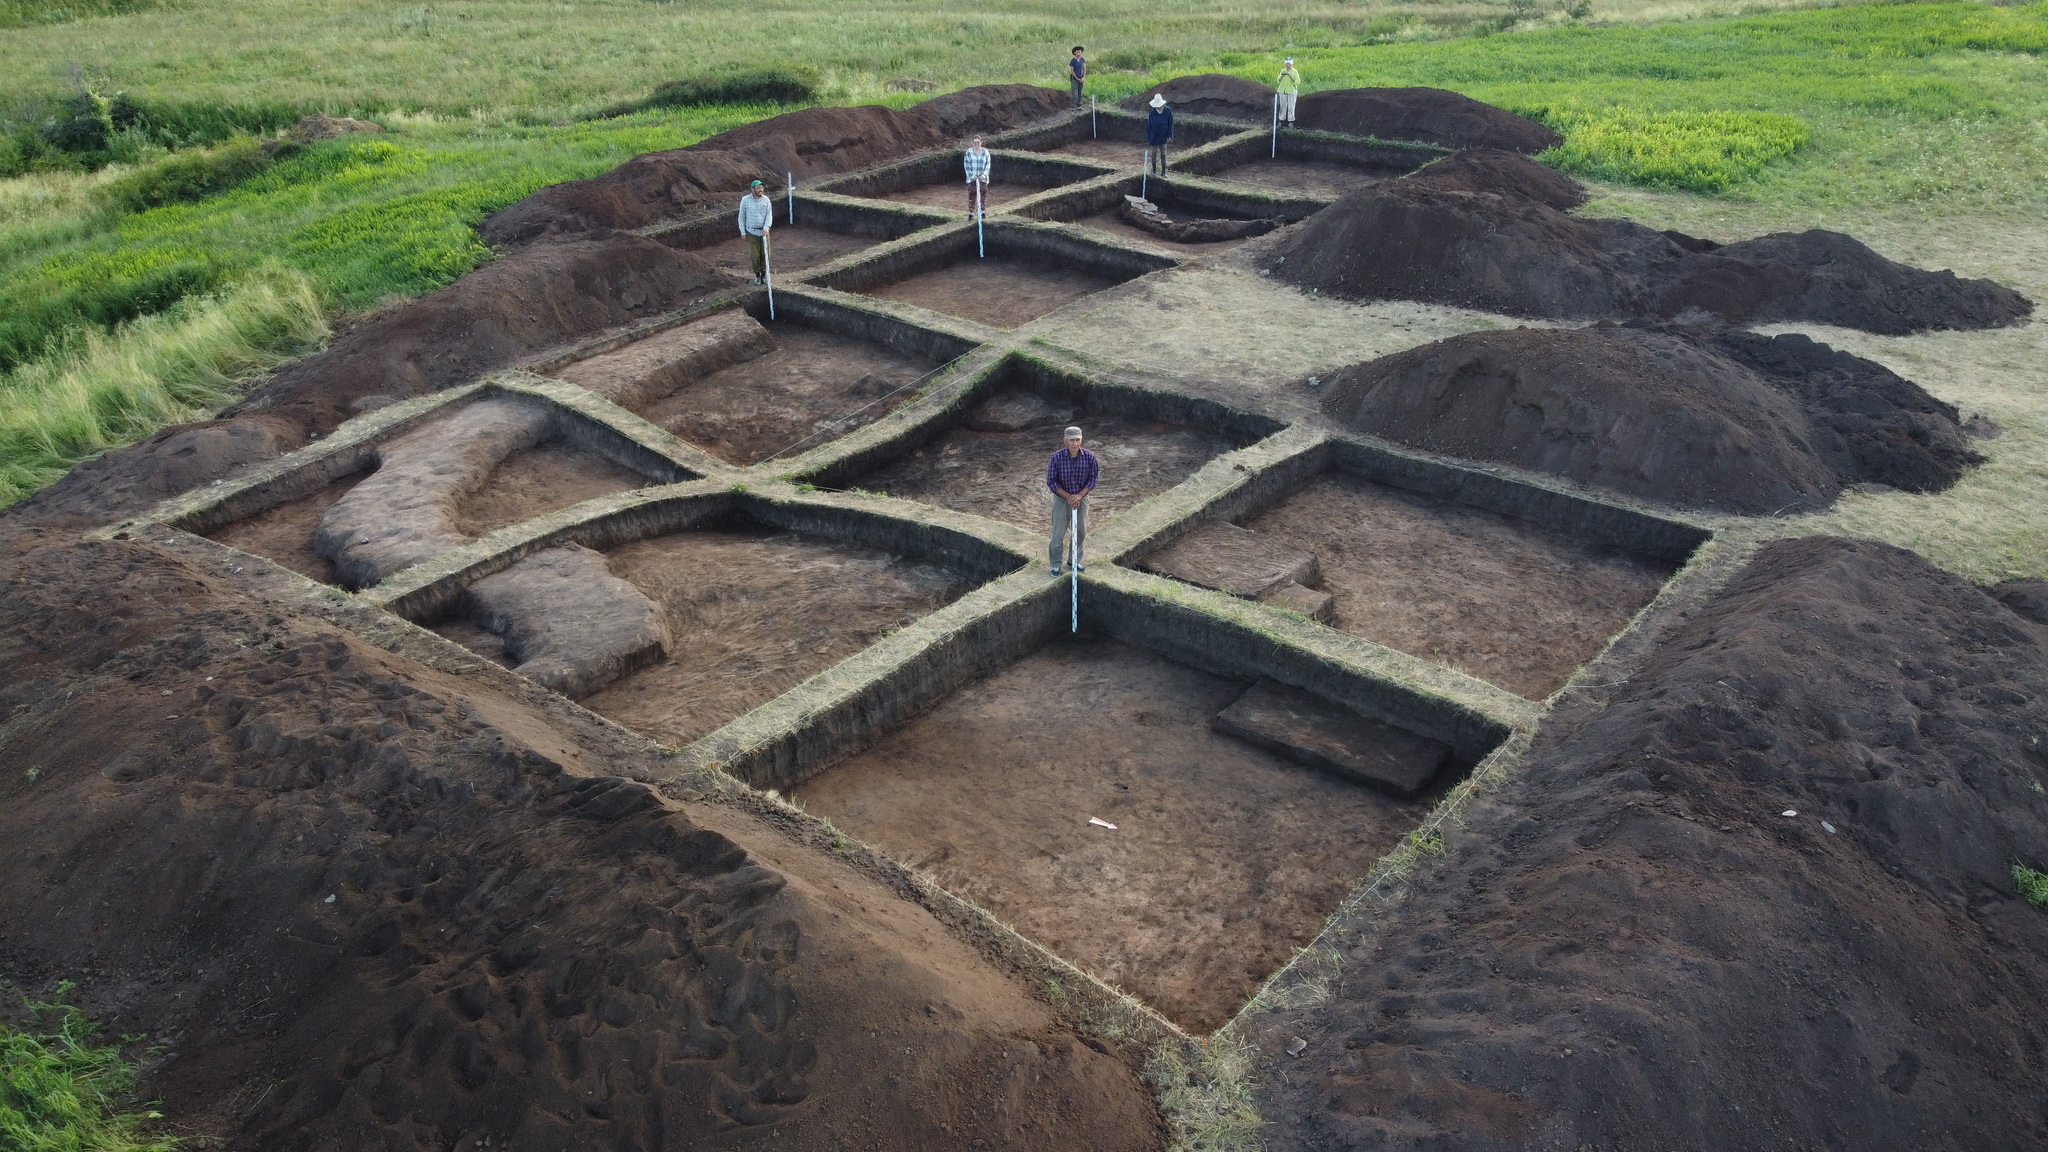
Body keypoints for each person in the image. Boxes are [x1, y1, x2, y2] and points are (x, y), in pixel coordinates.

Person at [1046, 425, 1098, 576]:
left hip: (1082, 499)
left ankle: (1073, 561)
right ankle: (1056, 564)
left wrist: (1079, 496)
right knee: (1058, 534)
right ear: (1065, 441)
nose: (1075, 443)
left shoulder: (1089, 457)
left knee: (1080, 531)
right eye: (1072, 440)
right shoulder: (1056, 457)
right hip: (1062, 500)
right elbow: (1052, 482)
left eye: (1078, 440)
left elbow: (1093, 479)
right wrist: (1069, 496)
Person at [737, 179, 773, 284]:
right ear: (752, 189)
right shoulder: (745, 200)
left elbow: (769, 215)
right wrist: (743, 232)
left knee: (766, 254)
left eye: (761, 187)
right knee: (755, 255)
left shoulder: (766, 200)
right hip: (751, 232)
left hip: (764, 232)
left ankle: (764, 275)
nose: (760, 190)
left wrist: (766, 227)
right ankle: (757, 275)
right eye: (758, 188)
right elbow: (741, 217)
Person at [1143, 93, 1174, 176]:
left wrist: (1169, 135)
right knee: (1154, 154)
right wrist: (1149, 137)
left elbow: (1170, 123)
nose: (1159, 107)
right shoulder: (1152, 114)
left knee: (1163, 154)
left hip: (1163, 136)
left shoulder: (1167, 111)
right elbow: (1149, 126)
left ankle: (1163, 172)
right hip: (1154, 137)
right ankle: (1154, 171)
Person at [963, 135, 992, 218]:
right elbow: (966, 165)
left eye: (978, 142)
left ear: (981, 143)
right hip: (972, 179)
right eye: (975, 142)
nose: (976, 144)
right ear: (972, 143)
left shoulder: (985, 152)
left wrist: (983, 175)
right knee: (972, 196)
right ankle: (971, 214)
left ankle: (983, 212)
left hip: (983, 179)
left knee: (983, 196)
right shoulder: (969, 152)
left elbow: (988, 165)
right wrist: (972, 176)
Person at [1276, 58, 1301, 129]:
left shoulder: (1294, 71)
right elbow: (1278, 80)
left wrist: (1290, 76)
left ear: (1291, 64)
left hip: (1291, 90)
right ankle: (1281, 121)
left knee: (1291, 106)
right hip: (1283, 90)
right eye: (1287, 64)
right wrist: (1282, 76)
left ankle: (1291, 122)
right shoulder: (1283, 71)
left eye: (1289, 64)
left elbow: (1297, 81)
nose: (1288, 65)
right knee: (1283, 105)